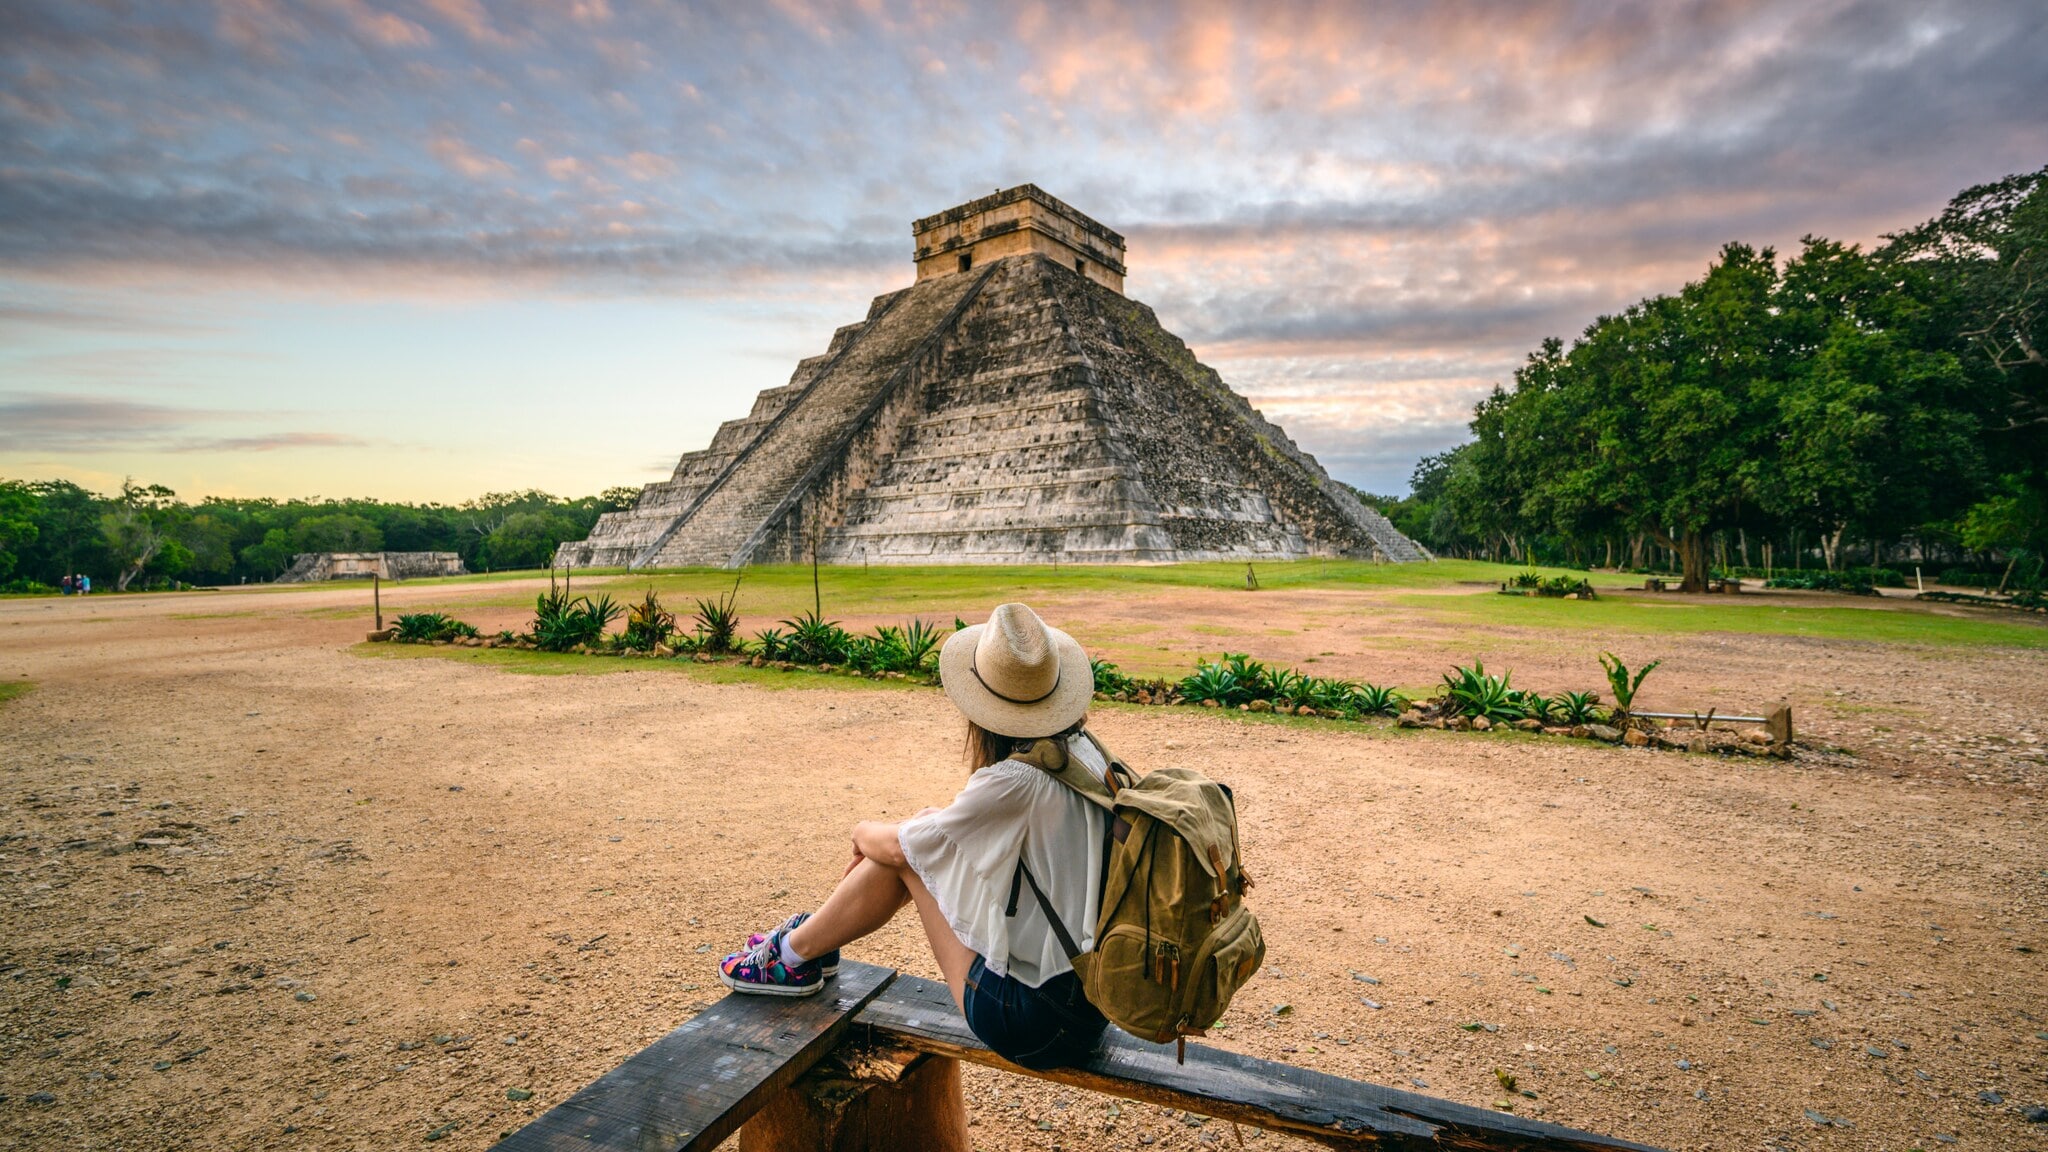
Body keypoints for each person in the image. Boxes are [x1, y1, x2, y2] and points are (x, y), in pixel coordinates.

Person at [717, 602, 1111, 1070]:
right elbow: (942, 836)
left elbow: (902, 849)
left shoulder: (1015, 781)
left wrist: (860, 832)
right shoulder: (1085, 755)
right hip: (1090, 1004)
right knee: (919, 834)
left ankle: (790, 955)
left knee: (902, 853)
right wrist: (912, 832)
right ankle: (804, 947)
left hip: (1033, 1022)